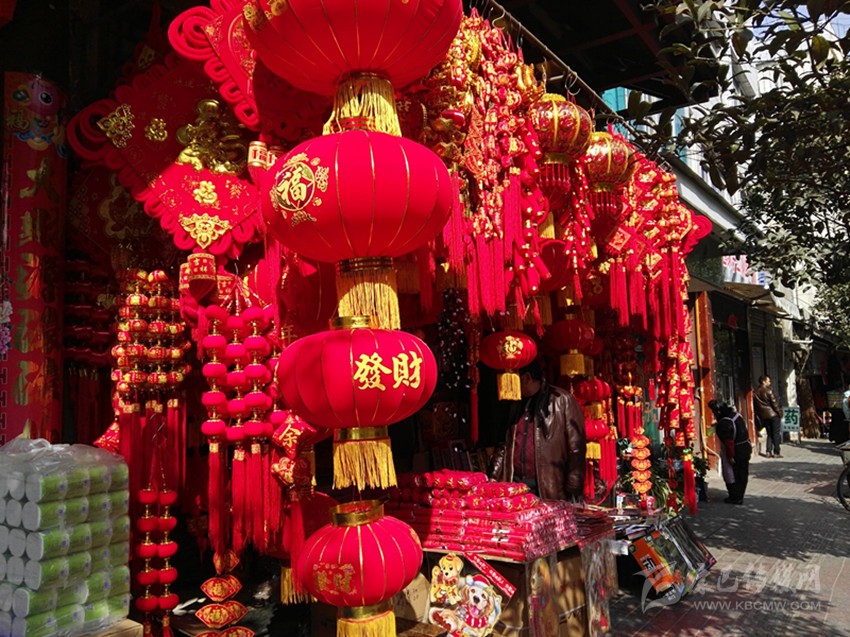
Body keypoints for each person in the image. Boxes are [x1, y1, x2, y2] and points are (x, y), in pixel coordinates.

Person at [488, 359, 586, 501]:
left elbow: (576, 447)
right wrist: (493, 475)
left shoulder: (562, 400)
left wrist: (574, 488)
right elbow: (504, 444)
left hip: (547, 487)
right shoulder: (514, 404)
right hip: (515, 485)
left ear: (527, 377)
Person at [709, 400, 752, 504]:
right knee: (743, 473)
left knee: (733, 474)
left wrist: (730, 456)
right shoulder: (736, 416)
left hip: (735, 451)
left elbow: (729, 442)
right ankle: (739, 496)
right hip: (745, 447)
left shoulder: (725, 423)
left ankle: (735, 497)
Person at [754, 375, 783, 458]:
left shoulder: (755, 392)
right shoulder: (769, 391)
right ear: (763, 381)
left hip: (764, 416)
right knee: (775, 433)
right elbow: (774, 404)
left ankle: (768, 451)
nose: (770, 383)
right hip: (773, 415)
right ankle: (776, 452)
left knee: (769, 433)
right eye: (768, 381)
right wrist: (779, 413)